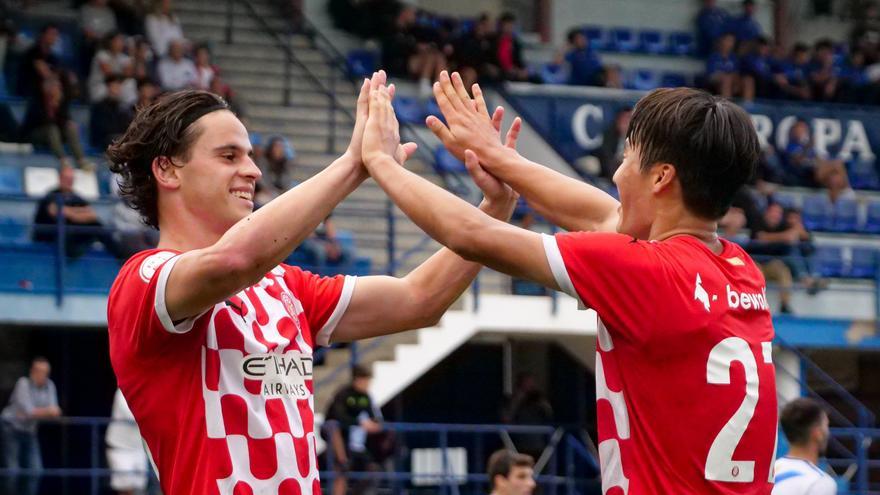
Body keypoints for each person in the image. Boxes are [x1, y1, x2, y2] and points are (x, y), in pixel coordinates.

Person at [362, 71, 778, 493]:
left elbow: (472, 235)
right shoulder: (740, 268)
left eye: (626, 159)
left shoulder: (645, 271)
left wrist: (379, 161)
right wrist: (499, 158)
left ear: (660, 177)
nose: (617, 177)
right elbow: (604, 217)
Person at [104, 71, 518, 494]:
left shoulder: (282, 285)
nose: (252, 171)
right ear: (166, 171)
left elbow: (420, 299)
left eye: (250, 156)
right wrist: (355, 164)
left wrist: (494, 208)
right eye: (229, 156)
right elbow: (233, 260)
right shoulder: (145, 281)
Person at [1, 357, 61, 495]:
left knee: (36, 471)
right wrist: (47, 412)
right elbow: (29, 411)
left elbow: (56, 411)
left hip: (29, 430)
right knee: (12, 472)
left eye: (45, 372)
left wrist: (37, 413)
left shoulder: (49, 385)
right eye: (39, 371)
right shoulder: (23, 383)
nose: (42, 375)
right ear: (32, 371)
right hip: (11, 428)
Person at [33, 165, 122, 258]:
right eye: (66, 179)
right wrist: (78, 213)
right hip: (50, 234)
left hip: (73, 231)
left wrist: (72, 213)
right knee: (65, 230)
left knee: (96, 225)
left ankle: (119, 257)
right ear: (60, 178)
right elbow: (55, 212)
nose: (69, 182)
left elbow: (92, 215)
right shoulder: (51, 195)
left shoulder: (76, 197)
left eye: (71, 179)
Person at [324, 365, 384, 495]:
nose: (368, 385)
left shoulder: (365, 397)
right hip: (338, 436)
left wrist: (374, 424)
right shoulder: (343, 394)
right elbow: (338, 417)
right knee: (341, 470)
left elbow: (374, 417)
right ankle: (342, 460)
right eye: (366, 381)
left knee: (373, 471)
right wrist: (359, 422)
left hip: (356, 443)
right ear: (357, 380)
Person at [20, 78, 94, 170]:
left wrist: (65, 118)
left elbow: (65, 119)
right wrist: (52, 107)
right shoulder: (37, 101)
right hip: (36, 133)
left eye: (58, 88)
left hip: (55, 134)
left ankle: (81, 160)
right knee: (52, 128)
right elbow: (41, 122)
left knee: (70, 127)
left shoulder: (61, 101)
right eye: (54, 88)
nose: (57, 90)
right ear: (46, 89)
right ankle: (63, 160)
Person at [772, 398, 836, 494]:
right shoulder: (819, 483)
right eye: (826, 425)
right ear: (817, 433)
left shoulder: (768, 474)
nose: (828, 432)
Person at [105, 389, 149, 495]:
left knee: (140, 487)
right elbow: (131, 416)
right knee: (125, 487)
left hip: (139, 447)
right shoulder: (122, 391)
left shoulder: (149, 390)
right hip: (120, 447)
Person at [90, 75, 134, 149]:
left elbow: (127, 124)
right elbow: (101, 128)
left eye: (118, 86)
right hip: (104, 138)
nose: (117, 89)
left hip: (119, 137)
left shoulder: (122, 106)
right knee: (120, 139)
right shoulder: (100, 106)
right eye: (114, 86)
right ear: (108, 88)